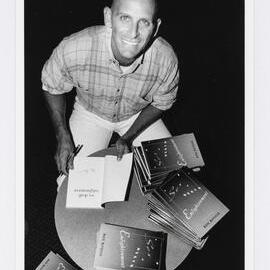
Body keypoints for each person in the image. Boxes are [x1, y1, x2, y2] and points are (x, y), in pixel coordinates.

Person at [42, 0, 179, 176]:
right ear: (108, 17)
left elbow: (161, 103)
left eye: (144, 22)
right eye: (124, 18)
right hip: (90, 114)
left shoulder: (166, 59)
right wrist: (62, 135)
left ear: (156, 27)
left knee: (175, 177)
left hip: (136, 115)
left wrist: (128, 136)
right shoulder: (75, 47)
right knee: (72, 185)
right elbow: (51, 86)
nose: (133, 33)